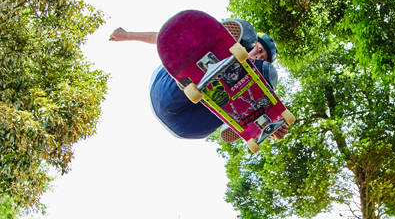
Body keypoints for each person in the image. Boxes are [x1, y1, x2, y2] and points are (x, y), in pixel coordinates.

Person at [109, 23, 288, 141]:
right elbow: (165, 39)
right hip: (163, 94)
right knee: (241, 36)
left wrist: (273, 125)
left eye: (262, 58)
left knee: (265, 75)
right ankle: (194, 73)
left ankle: (252, 120)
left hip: (189, 125)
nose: (258, 57)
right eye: (259, 50)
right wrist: (126, 35)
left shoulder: (258, 71)